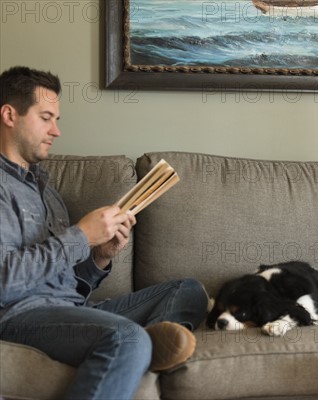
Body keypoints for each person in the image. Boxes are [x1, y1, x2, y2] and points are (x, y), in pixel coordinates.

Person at [0, 66, 209, 399]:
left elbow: (72, 287)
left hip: (71, 310)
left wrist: (99, 256)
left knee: (189, 290)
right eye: (46, 117)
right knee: (126, 337)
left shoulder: (47, 191)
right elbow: (4, 281)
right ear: (10, 115)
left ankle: (144, 348)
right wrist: (81, 236)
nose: (56, 131)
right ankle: (137, 347)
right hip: (20, 316)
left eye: (57, 119)